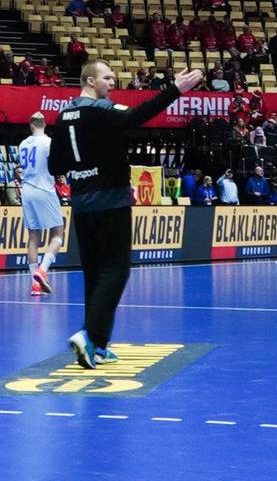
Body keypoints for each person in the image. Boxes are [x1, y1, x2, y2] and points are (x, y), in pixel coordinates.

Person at [48, 59, 203, 368]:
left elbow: (55, 167)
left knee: (94, 273)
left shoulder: (63, 117)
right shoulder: (103, 111)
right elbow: (138, 115)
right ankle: (89, 335)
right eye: (107, 77)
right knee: (116, 270)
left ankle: (99, 345)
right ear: (90, 81)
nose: (112, 83)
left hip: (81, 205)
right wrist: (175, 90)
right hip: (111, 201)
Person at [18, 112, 66, 296]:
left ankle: (35, 284)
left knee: (33, 239)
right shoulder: (48, 143)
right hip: (44, 188)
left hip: (27, 192)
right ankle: (42, 270)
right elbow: (55, 166)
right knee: (58, 234)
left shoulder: (22, 144)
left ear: (31, 126)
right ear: (45, 125)